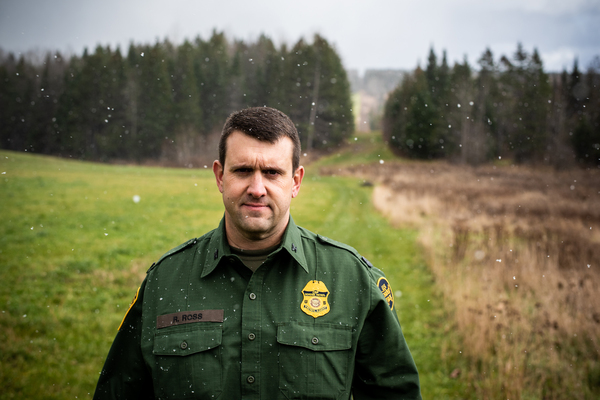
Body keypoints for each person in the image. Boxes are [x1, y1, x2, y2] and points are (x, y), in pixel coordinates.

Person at [93, 107, 421, 399]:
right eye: (243, 171)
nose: (257, 188)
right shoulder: (165, 282)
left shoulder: (353, 281)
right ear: (220, 176)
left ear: (296, 181)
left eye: (273, 173)